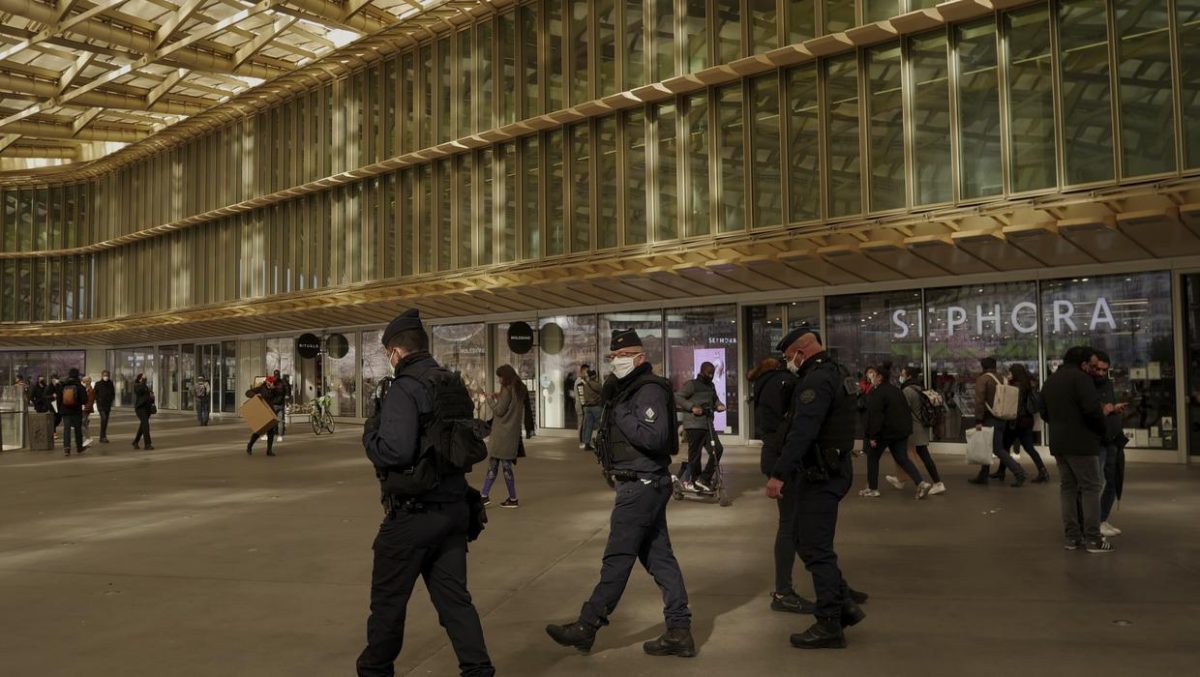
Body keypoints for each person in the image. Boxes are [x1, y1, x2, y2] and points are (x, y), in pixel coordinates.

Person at [357, 308, 494, 677]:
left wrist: (370, 435)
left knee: (387, 604)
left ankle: (375, 671)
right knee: (455, 602)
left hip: (413, 516)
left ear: (396, 352)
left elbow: (396, 451)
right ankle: (478, 670)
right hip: (453, 509)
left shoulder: (406, 387)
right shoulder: (450, 382)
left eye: (388, 353)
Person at [546, 329, 695, 658]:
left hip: (641, 485)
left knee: (618, 558)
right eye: (613, 357)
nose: (616, 361)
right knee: (660, 558)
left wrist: (620, 413)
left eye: (622, 356)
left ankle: (588, 625)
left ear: (639, 358)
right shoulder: (626, 389)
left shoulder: (650, 390)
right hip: (641, 482)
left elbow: (655, 438)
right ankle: (679, 629)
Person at [765, 327, 865, 649]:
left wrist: (778, 473)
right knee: (805, 541)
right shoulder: (837, 373)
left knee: (815, 549)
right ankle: (844, 604)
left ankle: (829, 623)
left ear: (800, 352)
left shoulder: (816, 381)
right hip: (831, 470)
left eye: (788, 356)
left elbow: (802, 431)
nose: (788, 363)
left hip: (821, 475)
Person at [751, 357, 813, 615]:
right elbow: (788, 427)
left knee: (793, 524)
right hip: (782, 459)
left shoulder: (764, 384)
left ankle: (831, 581)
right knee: (790, 525)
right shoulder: (782, 384)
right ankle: (783, 591)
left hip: (776, 457)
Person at [1039, 346, 1111, 553]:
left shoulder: (1051, 380)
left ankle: (1072, 537)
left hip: (1058, 443)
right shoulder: (1082, 380)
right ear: (1083, 364)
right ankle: (1094, 539)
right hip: (1082, 443)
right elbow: (1092, 410)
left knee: (1068, 488)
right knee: (1090, 488)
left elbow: (1043, 410)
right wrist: (1100, 429)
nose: (1095, 369)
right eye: (1093, 365)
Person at [862, 362, 931, 499]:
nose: (871, 377)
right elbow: (905, 411)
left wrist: (873, 436)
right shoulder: (896, 390)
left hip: (884, 433)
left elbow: (876, 416)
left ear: (880, 377)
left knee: (873, 458)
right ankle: (921, 483)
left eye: (874, 375)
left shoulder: (877, 393)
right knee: (902, 458)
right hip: (900, 432)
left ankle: (873, 488)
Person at [969, 357, 1027, 486]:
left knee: (997, 448)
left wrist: (978, 419)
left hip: (989, 418)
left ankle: (1019, 472)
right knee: (988, 446)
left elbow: (979, 401)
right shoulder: (1002, 378)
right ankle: (983, 475)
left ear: (982, 366)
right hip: (1002, 417)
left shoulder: (983, 379)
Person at [991, 364, 1050, 484]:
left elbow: (1014, 406)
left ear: (1015, 373)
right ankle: (1042, 471)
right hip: (1026, 421)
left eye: (1011, 373)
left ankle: (1005, 471)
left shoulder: (1016, 387)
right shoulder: (1027, 385)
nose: (1009, 375)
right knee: (1026, 448)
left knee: (1005, 447)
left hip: (1016, 423)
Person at [1090, 351, 1127, 538]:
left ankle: (1102, 519)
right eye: (1097, 369)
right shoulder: (1086, 385)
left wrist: (1113, 409)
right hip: (1098, 440)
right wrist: (1105, 410)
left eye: (1104, 369)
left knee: (1112, 481)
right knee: (1097, 483)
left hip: (1112, 438)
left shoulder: (1108, 384)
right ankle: (1094, 522)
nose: (1101, 373)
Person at [674, 361, 726, 491]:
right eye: (708, 373)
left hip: (707, 424)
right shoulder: (691, 385)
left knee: (717, 450)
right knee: (695, 455)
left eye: (712, 373)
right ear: (702, 371)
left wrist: (719, 405)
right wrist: (692, 407)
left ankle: (704, 478)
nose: (711, 376)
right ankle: (693, 480)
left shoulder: (711, 386)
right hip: (694, 424)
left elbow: (715, 400)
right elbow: (678, 397)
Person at [481, 364, 525, 508]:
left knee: (499, 465)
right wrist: (498, 395)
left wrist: (489, 399)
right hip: (511, 433)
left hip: (502, 434)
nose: (499, 380)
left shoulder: (507, 389)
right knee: (501, 464)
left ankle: (509, 498)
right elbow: (510, 404)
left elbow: (499, 411)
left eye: (500, 377)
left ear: (505, 376)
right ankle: (486, 495)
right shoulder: (518, 388)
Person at [899, 366, 945, 496]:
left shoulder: (907, 390)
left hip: (914, 428)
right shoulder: (920, 388)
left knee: (917, 455)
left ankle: (936, 482)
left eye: (902, 373)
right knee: (908, 454)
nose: (900, 376)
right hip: (922, 427)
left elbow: (904, 410)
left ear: (908, 376)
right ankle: (902, 479)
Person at [245, 376, 284, 456]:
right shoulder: (261, 388)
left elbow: (280, 393)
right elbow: (248, 392)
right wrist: (255, 396)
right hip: (262, 411)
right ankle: (250, 445)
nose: (272, 383)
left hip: (270, 411)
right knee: (259, 431)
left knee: (271, 431)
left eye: (273, 382)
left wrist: (274, 389)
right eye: (271, 382)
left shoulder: (274, 389)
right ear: (267, 382)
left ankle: (269, 450)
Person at [56, 368, 88, 456]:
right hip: (76, 411)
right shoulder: (79, 386)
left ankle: (67, 448)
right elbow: (85, 400)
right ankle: (79, 447)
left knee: (66, 429)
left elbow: (59, 398)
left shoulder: (63, 385)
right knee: (78, 429)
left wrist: (60, 409)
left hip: (65, 411)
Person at [576, 364, 602, 450]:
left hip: (587, 408)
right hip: (596, 407)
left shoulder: (585, 385)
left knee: (588, 426)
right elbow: (603, 393)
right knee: (601, 425)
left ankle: (586, 443)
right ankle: (601, 441)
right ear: (595, 376)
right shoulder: (597, 385)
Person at [132, 373, 154, 450]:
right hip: (140, 408)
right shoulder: (137, 385)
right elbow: (139, 391)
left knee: (143, 426)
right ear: (139, 379)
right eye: (143, 378)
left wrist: (151, 397)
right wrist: (143, 382)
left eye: (145, 378)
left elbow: (147, 397)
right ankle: (147, 444)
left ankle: (135, 442)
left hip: (147, 409)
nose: (145, 379)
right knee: (146, 426)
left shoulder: (146, 386)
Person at [94, 370, 115, 443]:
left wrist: (111, 400)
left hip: (107, 405)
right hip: (100, 405)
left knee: (105, 421)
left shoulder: (110, 384)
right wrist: (98, 400)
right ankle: (103, 436)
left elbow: (113, 393)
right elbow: (95, 393)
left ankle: (102, 436)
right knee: (104, 418)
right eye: (104, 375)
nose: (106, 377)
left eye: (107, 375)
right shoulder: (98, 384)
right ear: (102, 375)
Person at [272, 370, 288, 437]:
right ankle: (281, 433)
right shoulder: (283, 382)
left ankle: (275, 432)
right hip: (280, 403)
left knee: (274, 419)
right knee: (281, 419)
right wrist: (287, 395)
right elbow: (287, 388)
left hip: (274, 404)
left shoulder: (271, 382)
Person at [81, 376, 96, 445]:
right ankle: (87, 439)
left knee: (82, 424)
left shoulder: (91, 390)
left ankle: (88, 438)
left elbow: (90, 401)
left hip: (86, 409)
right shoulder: (85, 389)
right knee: (85, 424)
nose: (83, 382)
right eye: (83, 381)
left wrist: (85, 408)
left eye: (85, 381)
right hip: (84, 409)